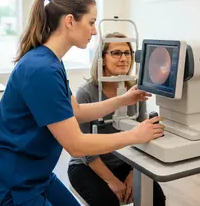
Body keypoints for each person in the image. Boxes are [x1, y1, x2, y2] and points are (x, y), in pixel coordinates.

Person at [0, 0, 164, 206]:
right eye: (91, 23)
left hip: (35, 175)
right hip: (8, 185)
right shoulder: (41, 69)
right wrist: (135, 135)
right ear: (70, 21)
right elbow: (76, 145)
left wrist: (123, 99)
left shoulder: (52, 62)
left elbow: (76, 111)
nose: (94, 32)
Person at [68, 32, 166, 206]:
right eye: (116, 53)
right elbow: (84, 150)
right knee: (108, 202)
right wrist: (111, 181)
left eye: (127, 53)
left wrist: (134, 172)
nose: (123, 58)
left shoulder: (135, 91)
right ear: (102, 58)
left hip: (126, 162)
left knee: (156, 198)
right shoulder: (87, 93)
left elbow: (142, 135)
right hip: (88, 165)